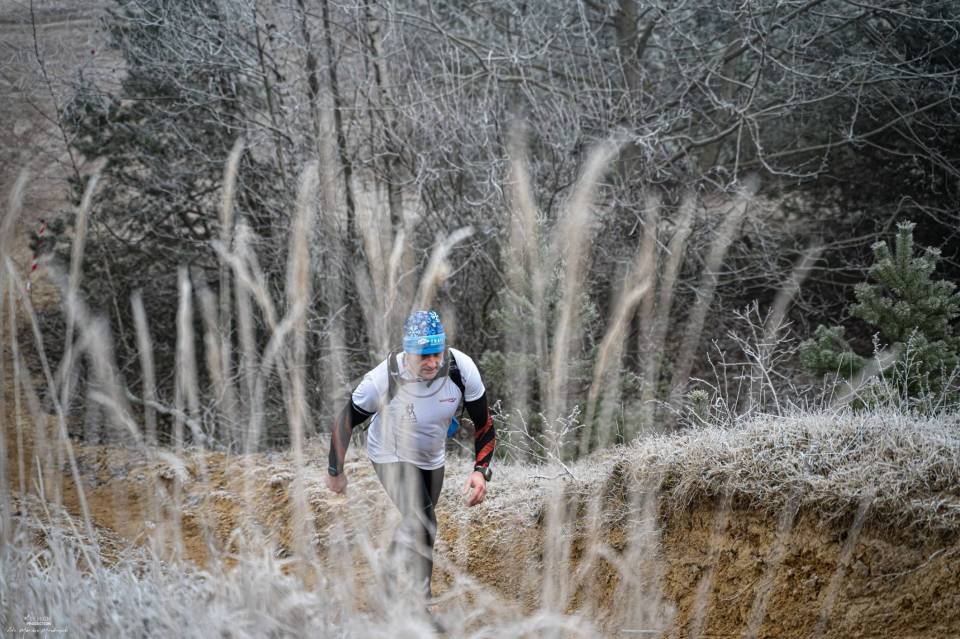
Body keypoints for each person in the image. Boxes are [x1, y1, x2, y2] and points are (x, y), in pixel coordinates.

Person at [324, 310, 495, 600]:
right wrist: (335, 471)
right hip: (389, 453)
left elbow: (485, 425)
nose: (432, 362)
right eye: (423, 356)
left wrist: (480, 471)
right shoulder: (382, 380)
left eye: (437, 353)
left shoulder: (461, 369)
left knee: (418, 524)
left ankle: (387, 580)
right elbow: (345, 422)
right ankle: (419, 606)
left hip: (431, 457)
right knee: (424, 522)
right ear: (407, 353)